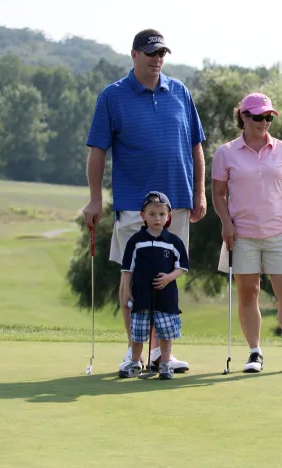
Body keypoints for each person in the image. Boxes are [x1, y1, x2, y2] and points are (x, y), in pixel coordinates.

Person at [81, 29, 206, 377]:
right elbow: (97, 151)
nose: (157, 59)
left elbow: (197, 148)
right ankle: (134, 353)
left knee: (166, 278)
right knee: (132, 279)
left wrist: (200, 194)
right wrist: (94, 199)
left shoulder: (180, 91)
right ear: (134, 55)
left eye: (162, 53)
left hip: (177, 203)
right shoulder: (113, 96)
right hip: (133, 205)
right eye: (150, 53)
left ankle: (160, 355)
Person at [211, 93, 282, 374]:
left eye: (268, 117)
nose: (264, 122)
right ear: (243, 117)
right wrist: (226, 222)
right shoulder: (226, 152)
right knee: (249, 293)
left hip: (278, 232)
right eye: (258, 117)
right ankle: (254, 353)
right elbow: (218, 194)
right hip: (243, 234)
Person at [118, 192, 189, 380]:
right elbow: (127, 270)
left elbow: (182, 267)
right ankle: (135, 364)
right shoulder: (135, 241)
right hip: (141, 296)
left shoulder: (174, 241)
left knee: (166, 332)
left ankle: (165, 365)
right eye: (152, 214)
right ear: (143, 216)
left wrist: (168, 278)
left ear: (168, 216)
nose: (157, 218)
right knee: (138, 333)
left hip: (165, 296)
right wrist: (126, 291)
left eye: (161, 214)